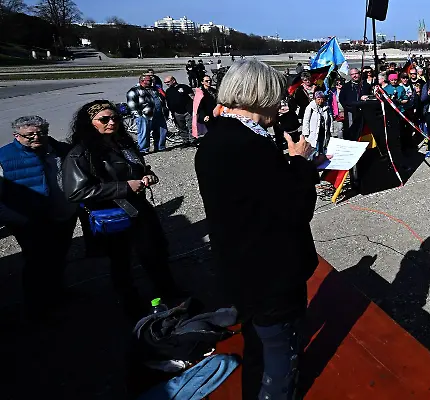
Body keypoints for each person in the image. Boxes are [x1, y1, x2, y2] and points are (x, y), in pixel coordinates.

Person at [195, 59, 323, 399]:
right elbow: (296, 210)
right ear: (258, 96)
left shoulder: (220, 136)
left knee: (258, 347)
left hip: (242, 265)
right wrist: (300, 162)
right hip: (270, 271)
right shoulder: (247, 146)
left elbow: (254, 199)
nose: (280, 106)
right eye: (276, 97)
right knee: (278, 354)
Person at [63, 100, 180, 316]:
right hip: (113, 214)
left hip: (138, 209)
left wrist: (147, 174)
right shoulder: (80, 153)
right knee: (121, 261)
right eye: (104, 119)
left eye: (115, 118)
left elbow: (139, 167)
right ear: (90, 123)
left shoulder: (123, 143)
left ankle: (169, 292)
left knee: (153, 252)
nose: (111, 122)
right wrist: (123, 187)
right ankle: (130, 303)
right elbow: (76, 192)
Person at [0, 116, 77, 318]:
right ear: (16, 136)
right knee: (36, 262)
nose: (37, 137)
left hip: (63, 215)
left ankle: (58, 293)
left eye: (41, 132)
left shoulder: (61, 149)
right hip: (29, 222)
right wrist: (17, 218)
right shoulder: (4, 156)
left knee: (59, 257)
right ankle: (36, 307)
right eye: (29, 135)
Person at [126, 74, 168, 154]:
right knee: (144, 132)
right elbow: (131, 104)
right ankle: (143, 149)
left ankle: (160, 147)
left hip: (158, 113)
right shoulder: (134, 90)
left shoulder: (154, 89)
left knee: (161, 131)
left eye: (151, 80)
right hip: (144, 115)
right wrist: (138, 115)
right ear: (142, 81)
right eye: (149, 80)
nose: (151, 82)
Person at [163, 76, 195, 146]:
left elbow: (193, 97)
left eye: (168, 82)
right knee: (181, 127)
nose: (167, 84)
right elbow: (168, 102)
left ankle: (193, 141)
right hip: (176, 112)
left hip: (187, 111)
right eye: (165, 83)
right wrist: (171, 112)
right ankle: (185, 141)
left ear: (173, 80)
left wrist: (193, 108)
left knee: (191, 127)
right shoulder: (168, 91)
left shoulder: (184, 87)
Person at [302, 91, 332, 156]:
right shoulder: (310, 107)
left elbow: (330, 118)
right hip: (313, 131)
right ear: (315, 99)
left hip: (323, 130)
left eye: (322, 99)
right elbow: (306, 120)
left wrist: (331, 129)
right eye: (318, 99)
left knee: (322, 146)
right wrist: (306, 132)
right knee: (313, 148)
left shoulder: (326, 106)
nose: (321, 101)